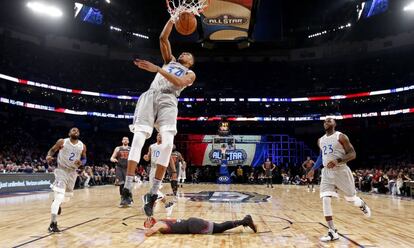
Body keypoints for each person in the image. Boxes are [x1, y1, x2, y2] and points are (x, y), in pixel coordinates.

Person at [122, 17, 196, 218]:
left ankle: (153, 192)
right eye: (183, 52)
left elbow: (179, 82)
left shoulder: (190, 73)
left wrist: (157, 69)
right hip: (150, 95)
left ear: (190, 62)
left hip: (169, 101)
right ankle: (127, 187)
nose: (184, 54)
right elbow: (163, 38)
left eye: (187, 54)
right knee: (138, 139)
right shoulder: (169, 61)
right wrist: (172, 20)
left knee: (167, 145)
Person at [307, 118, 371, 242]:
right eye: (325, 121)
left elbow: (352, 154)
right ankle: (332, 231)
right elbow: (321, 157)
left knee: (351, 199)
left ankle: (361, 204)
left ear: (334, 124)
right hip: (327, 172)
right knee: (325, 198)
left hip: (341, 170)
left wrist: (338, 160)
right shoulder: (320, 140)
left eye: (329, 121)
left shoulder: (341, 137)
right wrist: (313, 168)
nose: (326, 122)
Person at [46, 127, 87, 233]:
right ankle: (53, 223)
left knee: (66, 198)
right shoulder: (62, 141)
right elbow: (52, 150)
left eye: (77, 130)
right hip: (61, 171)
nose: (76, 131)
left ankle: (57, 202)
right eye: (73, 130)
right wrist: (49, 156)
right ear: (69, 133)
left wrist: (82, 163)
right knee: (59, 195)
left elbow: (84, 158)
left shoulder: (82, 145)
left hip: (72, 173)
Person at [143, 133, 174, 215]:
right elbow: (148, 157)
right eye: (158, 135)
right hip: (152, 168)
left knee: (154, 189)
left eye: (161, 135)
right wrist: (146, 157)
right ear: (156, 137)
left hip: (160, 168)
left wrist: (173, 171)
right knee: (153, 189)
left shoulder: (165, 146)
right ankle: (167, 204)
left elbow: (169, 158)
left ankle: (151, 204)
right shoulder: (152, 146)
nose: (159, 136)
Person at [144, 215, 257, 236]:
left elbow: (150, 232)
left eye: (146, 223)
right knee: (219, 227)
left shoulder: (158, 224)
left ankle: (245, 220)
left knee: (220, 228)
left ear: (151, 222)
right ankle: (244, 221)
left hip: (193, 226)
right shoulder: (161, 220)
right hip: (192, 223)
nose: (146, 225)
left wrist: (146, 231)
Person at [110, 137, 131, 207]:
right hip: (119, 168)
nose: (125, 140)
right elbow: (112, 157)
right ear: (122, 141)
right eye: (124, 139)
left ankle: (128, 198)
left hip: (128, 168)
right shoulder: (118, 148)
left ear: (128, 141)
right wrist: (113, 159)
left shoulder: (131, 149)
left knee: (127, 184)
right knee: (121, 183)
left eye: (126, 139)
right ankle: (123, 199)